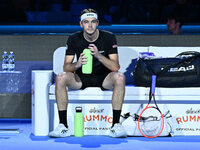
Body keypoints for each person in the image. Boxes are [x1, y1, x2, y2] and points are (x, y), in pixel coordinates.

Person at [49, 8, 127, 138]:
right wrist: (78, 64)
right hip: (81, 78)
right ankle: (63, 125)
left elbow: (115, 67)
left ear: (97, 23)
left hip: (104, 78)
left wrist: (98, 55)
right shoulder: (74, 39)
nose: (89, 25)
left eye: (93, 22)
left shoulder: (108, 37)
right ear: (81, 24)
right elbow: (66, 67)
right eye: (86, 22)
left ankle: (116, 125)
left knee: (120, 77)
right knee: (61, 77)